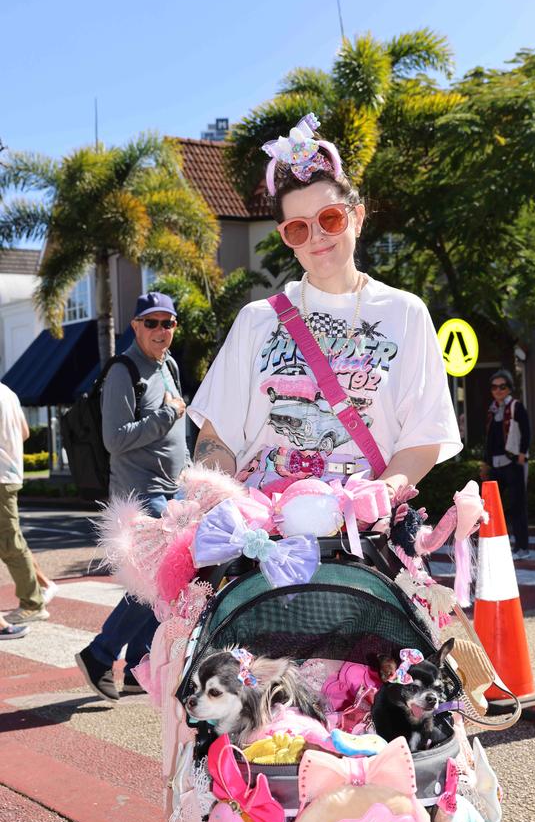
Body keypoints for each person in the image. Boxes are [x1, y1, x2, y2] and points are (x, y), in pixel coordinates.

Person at [188, 112, 461, 499]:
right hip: (263, 533)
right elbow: (216, 438)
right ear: (286, 237)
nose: (316, 236)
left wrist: (380, 496)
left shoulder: (405, 313)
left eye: (329, 218)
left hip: (360, 536)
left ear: (358, 218)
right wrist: (212, 496)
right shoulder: (256, 320)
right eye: (297, 227)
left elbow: (424, 435)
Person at [75, 292, 189, 702]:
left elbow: (179, 432)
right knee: (161, 580)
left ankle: (139, 665)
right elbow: (115, 439)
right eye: (152, 323)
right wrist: (169, 414)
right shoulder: (124, 370)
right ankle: (100, 653)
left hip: (172, 490)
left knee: (162, 585)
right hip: (142, 493)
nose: (162, 331)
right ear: (136, 326)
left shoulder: (168, 365)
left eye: (169, 323)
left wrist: (189, 470)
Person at [0, 381, 49, 623]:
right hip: (9, 474)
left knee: (10, 541)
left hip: (0, 478)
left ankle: (33, 601)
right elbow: (25, 432)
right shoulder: (8, 392)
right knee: (10, 540)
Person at [480, 369, 531, 559]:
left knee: (517, 505)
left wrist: (521, 456)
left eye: (502, 387)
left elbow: (526, 432)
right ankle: (497, 544)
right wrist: (485, 463)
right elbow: (489, 439)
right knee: (492, 506)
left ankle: (522, 547)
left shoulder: (516, 406)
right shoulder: (492, 409)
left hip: (512, 463)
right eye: (494, 387)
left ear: (509, 388)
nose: (498, 390)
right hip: (495, 464)